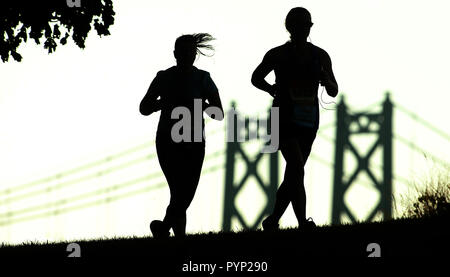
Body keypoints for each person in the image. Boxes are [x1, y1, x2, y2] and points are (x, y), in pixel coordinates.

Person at [251, 7, 338, 230]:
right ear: (290, 28)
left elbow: (333, 90)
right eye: (298, 26)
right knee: (297, 169)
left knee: (293, 172)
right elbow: (255, 78)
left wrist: (325, 78)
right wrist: (271, 89)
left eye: (305, 26)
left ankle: (272, 221)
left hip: (309, 120)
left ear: (309, 28)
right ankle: (302, 223)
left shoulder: (320, 56)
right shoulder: (277, 54)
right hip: (283, 119)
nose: (302, 30)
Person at [139, 33, 223, 237]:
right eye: (184, 52)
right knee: (180, 190)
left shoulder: (203, 78)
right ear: (175, 53)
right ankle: (173, 234)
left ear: (195, 55)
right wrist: (163, 104)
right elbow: (144, 107)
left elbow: (218, 112)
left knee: (183, 191)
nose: (188, 56)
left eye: (191, 53)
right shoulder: (163, 77)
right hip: (168, 140)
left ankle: (167, 231)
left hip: (194, 140)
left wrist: (202, 106)